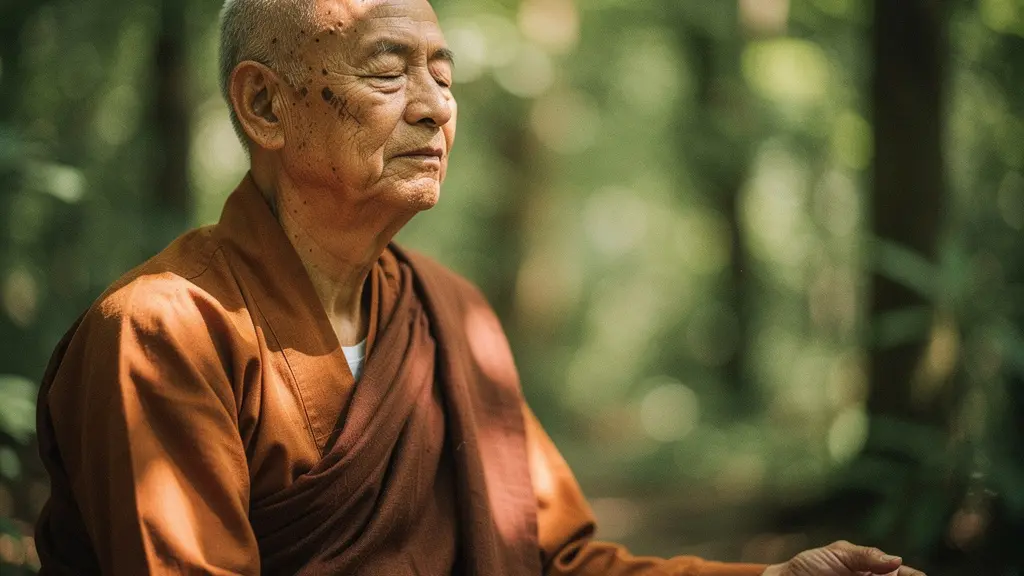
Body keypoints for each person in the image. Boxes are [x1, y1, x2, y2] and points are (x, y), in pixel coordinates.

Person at [33, 0, 926, 574]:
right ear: (264, 105)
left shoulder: (451, 314)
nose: (435, 105)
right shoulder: (162, 331)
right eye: (388, 68)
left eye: (444, 73)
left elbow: (560, 561)